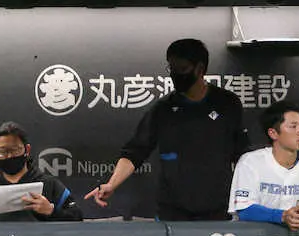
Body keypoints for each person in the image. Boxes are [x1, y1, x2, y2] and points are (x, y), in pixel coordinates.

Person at [85, 39, 249, 220]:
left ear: (200, 69)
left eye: (182, 69)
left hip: (217, 209)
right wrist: (111, 184)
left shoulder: (228, 103)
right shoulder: (163, 109)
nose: (175, 75)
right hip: (172, 211)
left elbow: (243, 155)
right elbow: (134, 152)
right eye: (172, 68)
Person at [0, 121, 83, 231]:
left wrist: (51, 210)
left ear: (27, 150)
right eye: (3, 152)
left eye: (15, 150)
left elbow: (77, 217)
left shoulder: (50, 184)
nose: (9, 156)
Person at [228, 101, 299, 231]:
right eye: (293, 126)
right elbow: (245, 209)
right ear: (273, 133)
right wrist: (283, 216)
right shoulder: (250, 162)